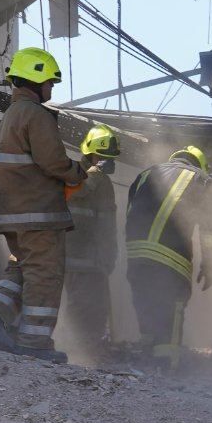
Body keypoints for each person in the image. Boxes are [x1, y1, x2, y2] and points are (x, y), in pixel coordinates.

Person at [0, 47, 86, 360]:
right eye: (49, 82)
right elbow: (53, 162)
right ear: (35, 79)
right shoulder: (36, 115)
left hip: (10, 210)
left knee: (24, 266)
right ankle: (34, 344)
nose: (51, 88)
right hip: (36, 211)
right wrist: (78, 172)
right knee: (45, 273)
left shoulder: (13, 113)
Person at [125, 144, 212, 369]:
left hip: (136, 252)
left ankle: (146, 356)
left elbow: (130, 211)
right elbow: (211, 230)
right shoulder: (201, 179)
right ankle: (166, 363)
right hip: (171, 254)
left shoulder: (145, 174)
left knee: (145, 301)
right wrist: (210, 265)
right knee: (172, 305)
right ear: (200, 165)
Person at [60, 123, 122, 361]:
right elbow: (73, 193)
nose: (108, 161)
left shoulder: (104, 183)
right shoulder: (77, 173)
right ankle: (74, 352)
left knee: (96, 308)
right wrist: (96, 172)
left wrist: (111, 253)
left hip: (96, 259)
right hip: (76, 256)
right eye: (103, 155)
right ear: (90, 153)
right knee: (80, 307)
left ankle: (92, 351)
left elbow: (107, 222)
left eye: (111, 157)